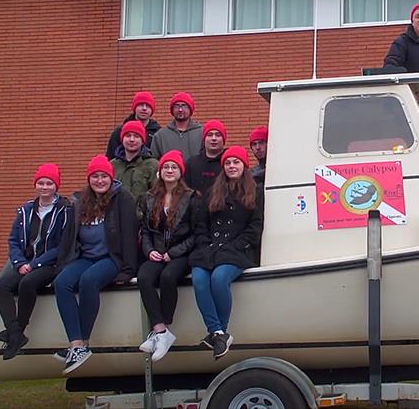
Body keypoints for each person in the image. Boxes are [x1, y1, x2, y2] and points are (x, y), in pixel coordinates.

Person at [53, 155, 138, 375]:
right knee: (62, 283)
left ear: (111, 177)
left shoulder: (122, 199)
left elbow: (129, 235)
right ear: (89, 179)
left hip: (111, 257)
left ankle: (83, 343)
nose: (99, 181)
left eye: (103, 176)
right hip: (85, 257)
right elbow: (70, 236)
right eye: (95, 176)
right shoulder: (80, 202)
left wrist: (128, 269)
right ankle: (76, 343)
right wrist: (64, 263)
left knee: (89, 281)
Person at [189, 146, 263, 359]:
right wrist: (205, 244)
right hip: (210, 249)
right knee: (199, 279)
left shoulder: (255, 191)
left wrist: (236, 245)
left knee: (220, 279)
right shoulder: (213, 190)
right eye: (228, 163)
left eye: (236, 162)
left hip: (237, 250)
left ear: (244, 166)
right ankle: (218, 333)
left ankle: (218, 330)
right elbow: (201, 223)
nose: (232, 166)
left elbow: (255, 226)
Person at [0, 164, 69, 360]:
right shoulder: (26, 210)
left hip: (50, 263)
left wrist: (34, 265)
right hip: (25, 261)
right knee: (1, 285)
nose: (44, 187)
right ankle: (15, 333)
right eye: (41, 183)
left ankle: (18, 328)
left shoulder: (64, 209)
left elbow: (61, 245)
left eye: (49, 183)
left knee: (28, 283)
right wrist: (19, 262)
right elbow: (13, 240)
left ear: (56, 186)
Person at [137, 150, 196, 362]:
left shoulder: (190, 198)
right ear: (160, 172)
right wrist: (149, 250)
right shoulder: (149, 198)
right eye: (166, 167)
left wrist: (173, 253)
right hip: (156, 252)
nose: (169, 171)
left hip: (180, 254)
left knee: (168, 277)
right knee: (144, 277)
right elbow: (145, 231)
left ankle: (162, 330)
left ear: (180, 172)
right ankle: (161, 331)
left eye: (174, 167)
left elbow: (195, 234)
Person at [110, 120, 158, 212]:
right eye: (128, 136)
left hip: (141, 221)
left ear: (142, 140)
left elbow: (157, 195)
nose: (132, 140)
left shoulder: (152, 165)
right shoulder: (112, 165)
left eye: (136, 136)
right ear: (122, 139)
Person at [105, 91, 161, 160]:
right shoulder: (119, 132)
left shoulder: (158, 133)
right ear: (134, 107)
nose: (144, 108)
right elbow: (110, 158)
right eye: (140, 105)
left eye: (148, 106)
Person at [150, 92, 203, 160]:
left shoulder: (202, 133)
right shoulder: (160, 136)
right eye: (177, 106)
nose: (180, 110)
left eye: (184, 106)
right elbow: (154, 162)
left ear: (190, 109)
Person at [184, 119, 227, 195]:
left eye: (218, 135)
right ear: (204, 139)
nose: (213, 139)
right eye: (210, 135)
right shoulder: (191, 164)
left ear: (223, 139)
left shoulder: (229, 164)